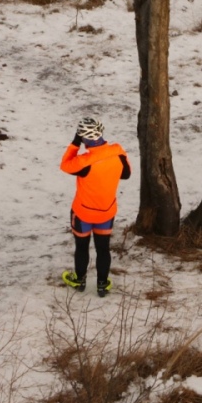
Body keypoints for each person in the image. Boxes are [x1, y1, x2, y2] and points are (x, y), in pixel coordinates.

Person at [60, 117, 131, 297]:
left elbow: (65, 165)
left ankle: (80, 280)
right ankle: (102, 285)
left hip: (82, 214)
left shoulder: (84, 162)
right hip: (106, 213)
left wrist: (75, 143)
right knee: (103, 248)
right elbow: (126, 174)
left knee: (82, 248)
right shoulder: (118, 152)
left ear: (83, 138)